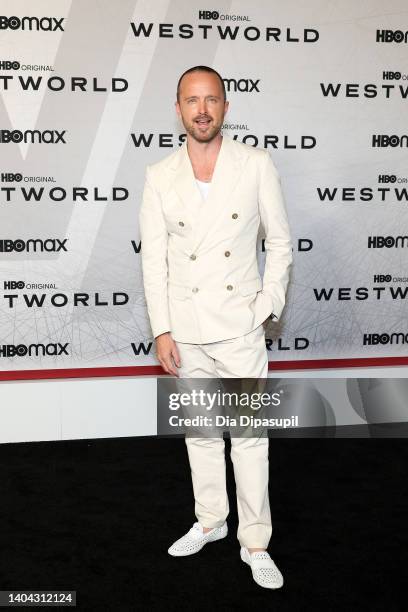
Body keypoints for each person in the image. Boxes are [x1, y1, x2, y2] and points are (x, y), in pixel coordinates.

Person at [139, 65, 293, 589]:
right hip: (185, 332)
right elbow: (153, 261)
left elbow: (280, 243)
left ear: (226, 107)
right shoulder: (159, 175)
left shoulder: (255, 165)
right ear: (178, 108)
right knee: (201, 435)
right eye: (191, 100)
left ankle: (255, 541)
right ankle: (210, 522)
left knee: (250, 438)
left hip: (240, 328)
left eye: (211, 100)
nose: (202, 110)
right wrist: (162, 329)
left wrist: (266, 307)